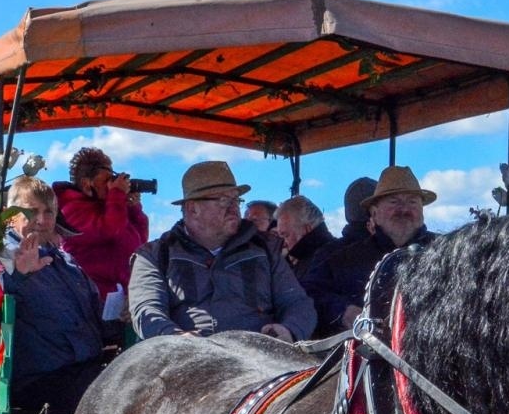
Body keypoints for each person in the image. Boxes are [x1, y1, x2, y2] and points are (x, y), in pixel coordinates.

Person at [0, 176, 104, 414]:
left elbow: (95, 317)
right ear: (10, 215)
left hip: (85, 370)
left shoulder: (65, 262)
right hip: (39, 381)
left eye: (49, 212)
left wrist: (123, 316)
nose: (42, 220)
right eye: (31, 211)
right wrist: (16, 276)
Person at [128, 161, 315, 342]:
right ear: (192, 209)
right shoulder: (154, 255)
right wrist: (174, 338)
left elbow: (297, 302)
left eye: (236, 200)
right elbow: (147, 311)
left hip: (258, 355)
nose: (234, 208)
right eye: (224, 200)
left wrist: (289, 329)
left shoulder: (265, 250)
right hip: (184, 357)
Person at [302, 165, 437, 335]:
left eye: (412, 202)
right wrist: (342, 310)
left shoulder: (444, 253)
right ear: (374, 213)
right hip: (364, 347)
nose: (404, 209)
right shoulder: (342, 259)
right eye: (394, 202)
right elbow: (308, 294)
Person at [52, 146, 149, 302]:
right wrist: (117, 194)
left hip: (123, 296)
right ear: (86, 184)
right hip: (94, 300)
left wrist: (133, 208)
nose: (111, 185)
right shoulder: (71, 211)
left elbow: (141, 241)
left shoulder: (111, 206)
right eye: (105, 181)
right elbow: (111, 231)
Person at [274, 195, 339, 282]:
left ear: (307, 229)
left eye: (286, 235)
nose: (283, 243)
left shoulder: (322, 263)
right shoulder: (304, 260)